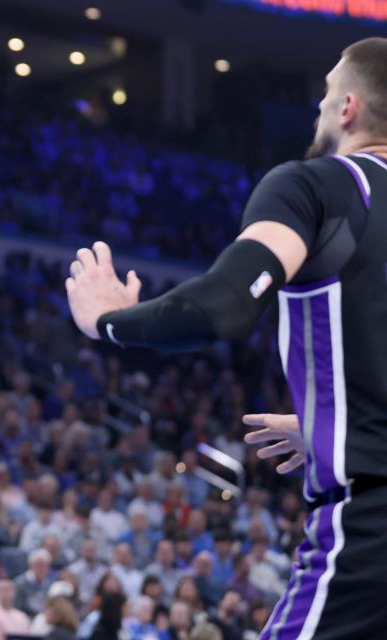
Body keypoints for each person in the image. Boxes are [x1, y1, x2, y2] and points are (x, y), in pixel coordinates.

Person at [66, 36, 387, 640]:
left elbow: (224, 307)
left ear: (347, 108)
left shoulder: (316, 186)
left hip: (371, 531)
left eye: (322, 97)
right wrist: (337, 420)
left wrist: (107, 319)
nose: (318, 111)